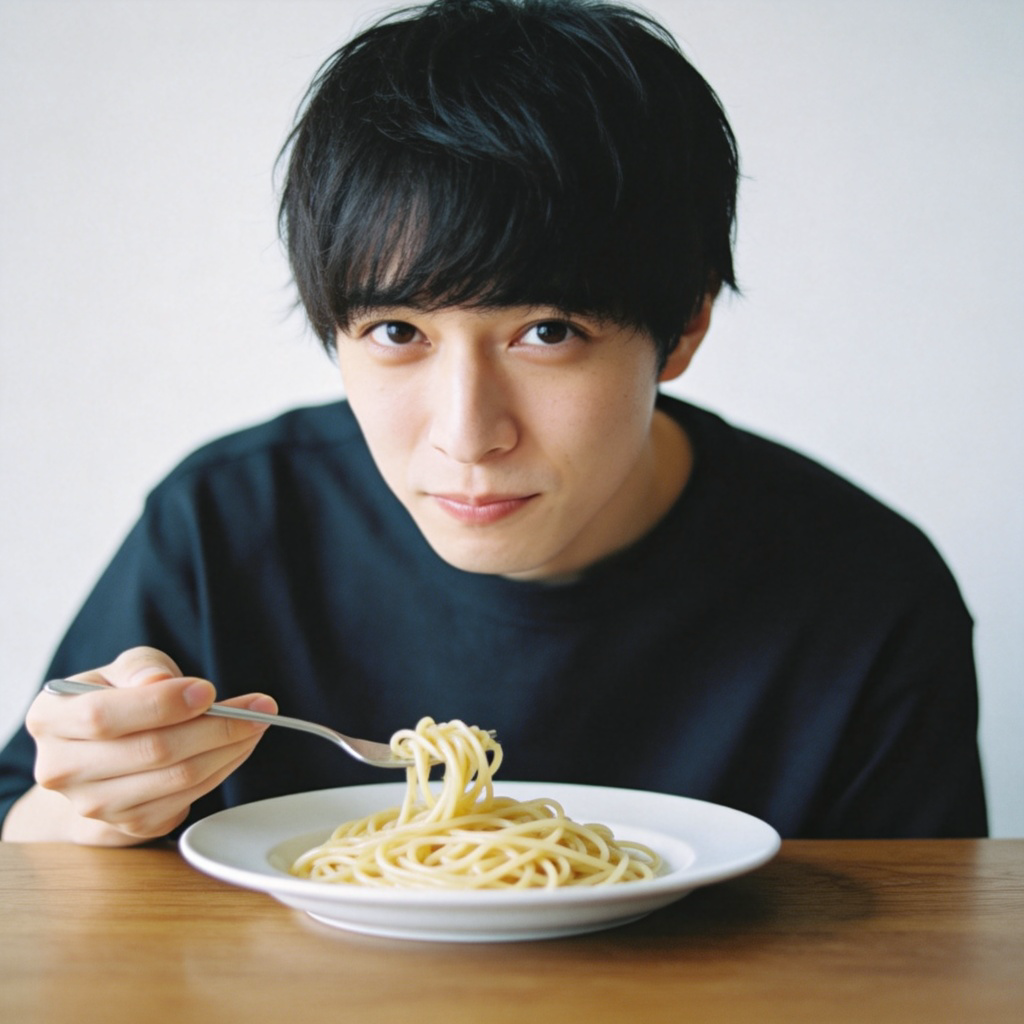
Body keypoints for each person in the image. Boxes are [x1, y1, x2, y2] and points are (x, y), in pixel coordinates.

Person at [0, 0, 986, 845]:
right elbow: (20, 832)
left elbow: (918, 952)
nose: (467, 434)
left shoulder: (865, 595)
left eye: (547, 333)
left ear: (683, 327)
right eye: (398, 332)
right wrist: (89, 811)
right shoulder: (228, 523)